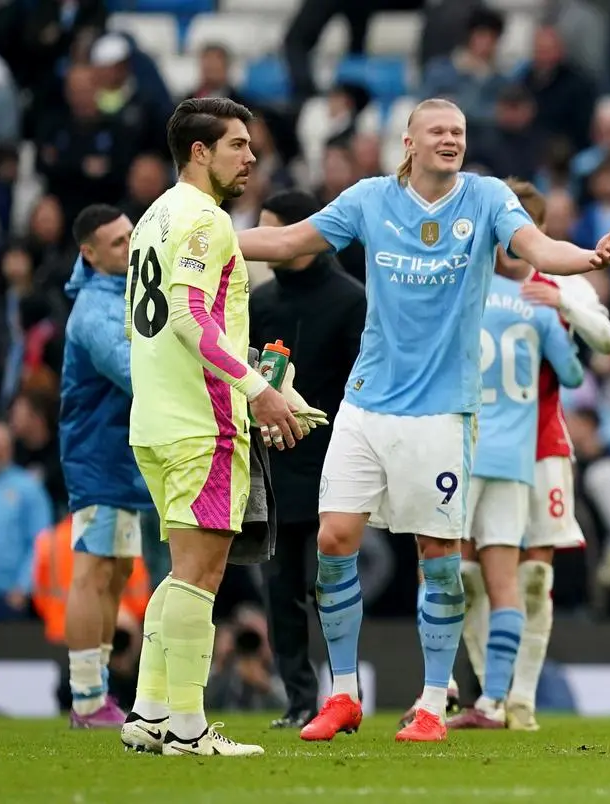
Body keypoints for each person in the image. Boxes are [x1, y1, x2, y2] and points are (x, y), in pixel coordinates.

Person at [234, 97, 610, 744]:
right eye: (437, 131)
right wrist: (204, 233)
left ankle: (430, 702)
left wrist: (586, 258)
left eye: (459, 132)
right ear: (409, 142)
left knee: (437, 552)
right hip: (365, 401)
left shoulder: (486, 197)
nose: (450, 140)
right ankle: (344, 696)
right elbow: (286, 239)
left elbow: (536, 245)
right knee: (334, 539)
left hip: (442, 410)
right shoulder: (368, 199)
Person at [120, 97, 308, 758]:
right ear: (200, 152)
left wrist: (274, 383)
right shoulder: (208, 222)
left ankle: (147, 713)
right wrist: (256, 391)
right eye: (236, 145)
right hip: (203, 424)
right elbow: (190, 319)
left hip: (156, 418)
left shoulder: (152, 218)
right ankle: (189, 728)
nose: (251, 156)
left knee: (181, 573)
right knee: (201, 577)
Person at [448, 178, 610, 732]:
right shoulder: (471, 283)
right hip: (482, 443)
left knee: (531, 579)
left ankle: (518, 697)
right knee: (471, 575)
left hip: (544, 446)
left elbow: (608, 341)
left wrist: (562, 296)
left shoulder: (559, 284)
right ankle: (487, 691)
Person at [447, 256, 586, 730]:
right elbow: (571, 375)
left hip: (460, 452)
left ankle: (438, 690)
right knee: (507, 585)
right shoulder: (540, 307)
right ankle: (493, 702)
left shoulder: (460, 297)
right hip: (515, 458)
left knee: (442, 570)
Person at [249, 189, 367, 730]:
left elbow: (358, 383)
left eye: (273, 231)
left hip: (333, 461)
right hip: (274, 464)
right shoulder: (260, 303)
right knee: (280, 589)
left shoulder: (350, 300)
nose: (266, 242)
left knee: (334, 582)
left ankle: (343, 689)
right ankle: (298, 697)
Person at [59, 204, 153, 729]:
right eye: (118, 243)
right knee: (93, 571)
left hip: (125, 459)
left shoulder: (127, 294)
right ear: (89, 255)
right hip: (97, 458)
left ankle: (97, 694)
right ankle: (87, 698)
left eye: (132, 235)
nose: (131, 245)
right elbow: (134, 372)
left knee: (115, 571)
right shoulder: (95, 311)